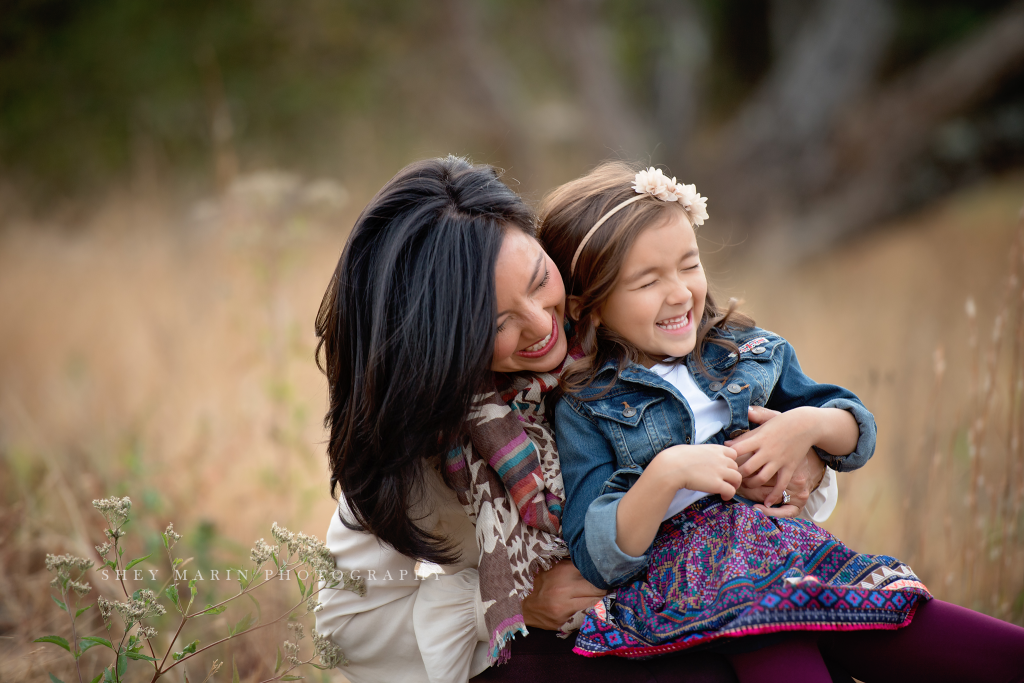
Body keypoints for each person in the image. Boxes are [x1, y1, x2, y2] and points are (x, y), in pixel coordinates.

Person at [313, 156, 849, 683]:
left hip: (690, 606)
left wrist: (804, 457)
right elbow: (345, 629)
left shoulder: (622, 328)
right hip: (554, 657)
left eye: (539, 278)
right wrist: (506, 605)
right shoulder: (424, 433)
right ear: (441, 343)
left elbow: (736, 469)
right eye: (495, 322)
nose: (540, 324)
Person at [538, 161, 1024, 682]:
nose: (679, 292)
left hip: (802, 563)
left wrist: (807, 427)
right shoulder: (585, 403)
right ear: (586, 307)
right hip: (708, 597)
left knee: (985, 650)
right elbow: (597, 555)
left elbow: (857, 432)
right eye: (647, 281)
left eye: (688, 265)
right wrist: (667, 473)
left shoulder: (747, 350)